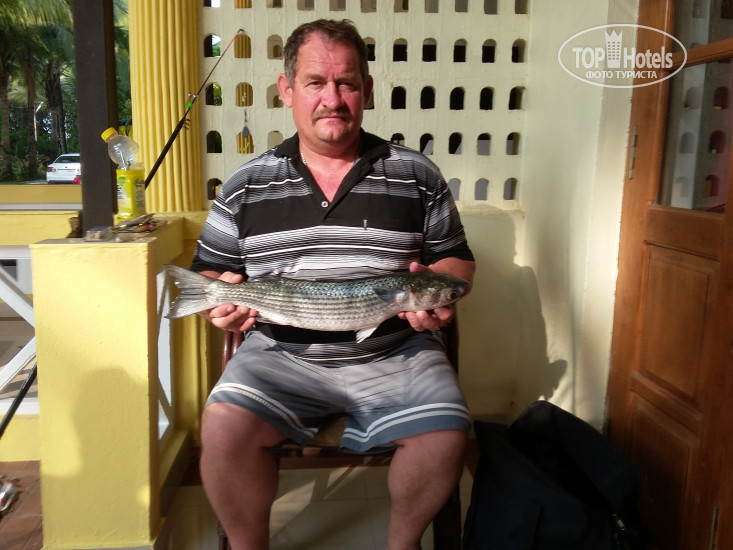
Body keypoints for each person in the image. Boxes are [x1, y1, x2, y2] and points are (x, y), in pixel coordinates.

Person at [190, 19, 476, 550]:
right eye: (315, 83)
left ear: (367, 89)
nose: (332, 99)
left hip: (398, 349)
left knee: (445, 432)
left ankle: (402, 545)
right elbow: (210, 270)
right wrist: (219, 301)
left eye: (346, 83)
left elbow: (454, 259)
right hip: (278, 352)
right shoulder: (245, 185)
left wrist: (441, 294)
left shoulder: (416, 174)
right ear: (287, 90)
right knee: (223, 430)